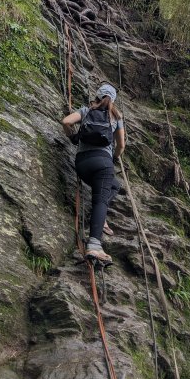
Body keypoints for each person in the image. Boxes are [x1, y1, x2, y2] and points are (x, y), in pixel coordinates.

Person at [62, 83, 125, 264]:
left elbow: (66, 122)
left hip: (82, 164)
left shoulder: (85, 111)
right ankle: (95, 247)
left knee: (115, 185)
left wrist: (73, 137)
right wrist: (112, 158)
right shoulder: (116, 117)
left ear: (96, 96)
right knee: (100, 201)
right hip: (103, 164)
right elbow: (121, 145)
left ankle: (100, 217)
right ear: (112, 100)